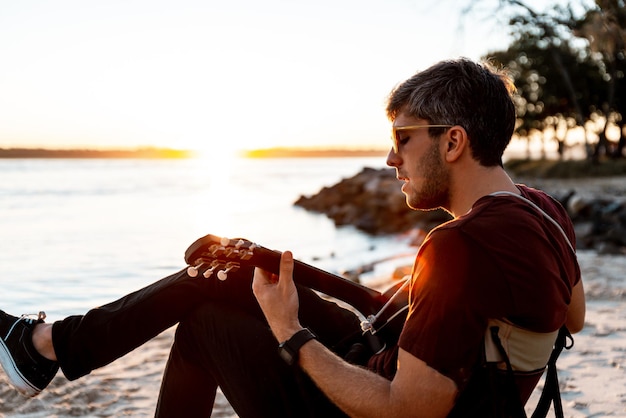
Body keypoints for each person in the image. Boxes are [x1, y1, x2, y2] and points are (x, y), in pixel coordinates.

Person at [0, 58, 585, 417]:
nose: (389, 158)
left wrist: (290, 330)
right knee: (231, 273)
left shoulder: (461, 246)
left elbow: (407, 408)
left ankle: (47, 346)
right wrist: (276, 262)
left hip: (371, 401)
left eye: (403, 139)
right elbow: (572, 318)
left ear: (452, 142)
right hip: (391, 357)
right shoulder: (543, 214)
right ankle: (48, 345)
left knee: (205, 320)